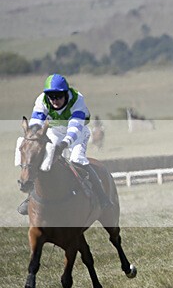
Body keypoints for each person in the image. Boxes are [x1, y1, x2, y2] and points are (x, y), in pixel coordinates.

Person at [18, 74, 111, 215]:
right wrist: (33, 136)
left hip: (78, 132)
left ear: (66, 93)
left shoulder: (77, 99)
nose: (55, 100)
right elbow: (36, 122)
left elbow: (74, 128)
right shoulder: (41, 100)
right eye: (51, 96)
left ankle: (102, 196)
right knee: (43, 161)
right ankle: (30, 197)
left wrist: (64, 144)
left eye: (59, 96)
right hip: (55, 131)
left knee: (77, 159)